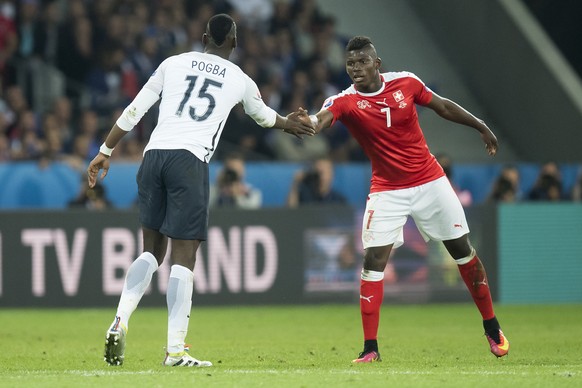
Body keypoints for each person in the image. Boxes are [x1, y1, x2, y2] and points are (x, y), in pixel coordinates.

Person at [87, 14, 314, 368]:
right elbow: (265, 117)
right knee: (184, 256)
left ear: (204, 36)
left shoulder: (172, 63)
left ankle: (120, 319)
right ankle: (175, 352)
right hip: (190, 161)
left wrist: (105, 150)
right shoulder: (240, 79)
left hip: (153, 156)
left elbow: (135, 109)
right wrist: (292, 125)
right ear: (235, 43)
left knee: (150, 252)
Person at [299, 36, 509, 363]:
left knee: (462, 252)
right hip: (387, 190)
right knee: (373, 262)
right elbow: (320, 119)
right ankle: (371, 349)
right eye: (350, 63)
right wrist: (307, 123)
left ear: (377, 63)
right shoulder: (345, 100)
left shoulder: (406, 83)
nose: (355, 68)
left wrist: (479, 125)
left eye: (362, 62)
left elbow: (442, 106)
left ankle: (492, 326)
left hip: (430, 181)